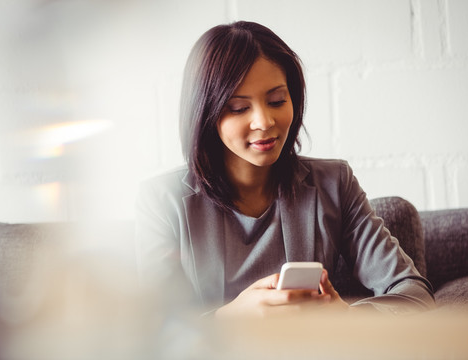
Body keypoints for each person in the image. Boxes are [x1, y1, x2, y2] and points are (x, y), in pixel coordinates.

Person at [135, 21, 435, 317]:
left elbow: (414, 294)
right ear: (206, 113)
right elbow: (156, 331)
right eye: (239, 108)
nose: (265, 122)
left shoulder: (334, 183)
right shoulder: (162, 201)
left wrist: (346, 319)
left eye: (277, 100)